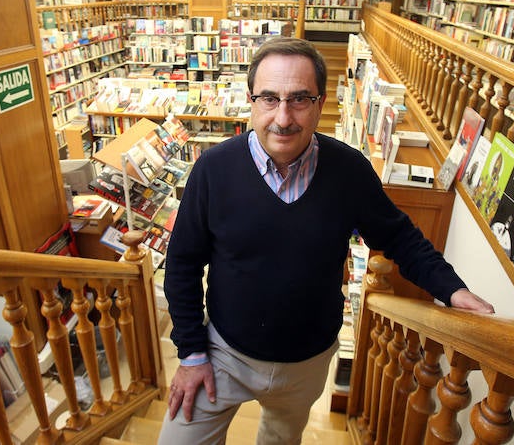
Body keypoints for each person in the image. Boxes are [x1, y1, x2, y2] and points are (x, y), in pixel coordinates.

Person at [160, 37, 494, 444]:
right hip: (223, 356)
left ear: (320, 103)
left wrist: (452, 289)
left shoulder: (349, 171)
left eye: (299, 99)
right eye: (269, 98)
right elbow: (182, 264)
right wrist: (192, 353)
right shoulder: (213, 169)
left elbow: (400, 237)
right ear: (251, 101)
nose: (283, 117)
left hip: (308, 364)